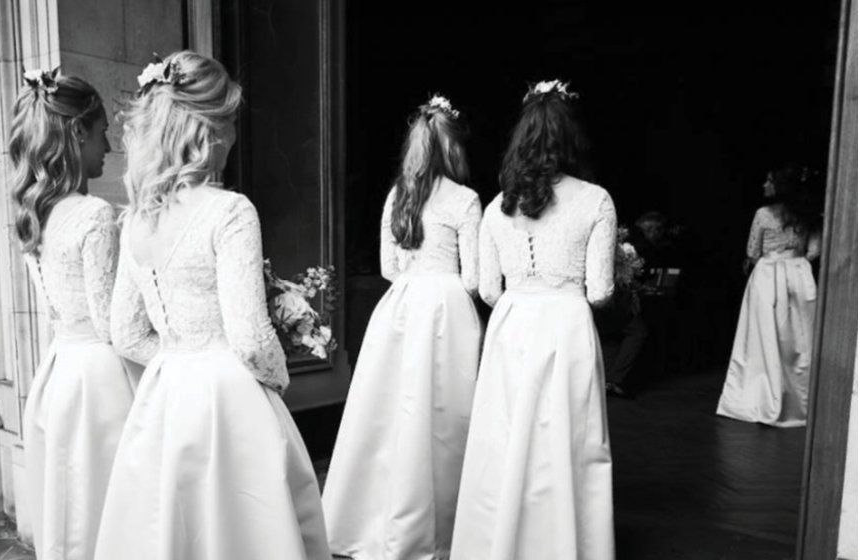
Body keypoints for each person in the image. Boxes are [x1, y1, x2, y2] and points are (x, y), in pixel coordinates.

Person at [93, 51, 330, 559]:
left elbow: (125, 332)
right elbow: (248, 335)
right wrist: (277, 380)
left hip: (165, 391)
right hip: (229, 397)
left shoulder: (134, 220)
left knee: (172, 527)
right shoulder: (229, 210)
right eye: (231, 122)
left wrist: (178, 360)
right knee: (243, 527)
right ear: (211, 129)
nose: (234, 136)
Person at [451, 80, 616, 560]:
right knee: (567, 440)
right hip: (566, 325)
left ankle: (499, 543)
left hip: (513, 322)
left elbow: (486, 288)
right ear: (571, 138)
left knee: (504, 440)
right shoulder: (596, 200)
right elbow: (601, 290)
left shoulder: (496, 206)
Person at [322, 94, 482, 560]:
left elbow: (389, 267)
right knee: (444, 416)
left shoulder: (398, 195)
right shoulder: (466, 200)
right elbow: (472, 279)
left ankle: (373, 519)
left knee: (390, 416)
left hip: (401, 306)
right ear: (453, 148)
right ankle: (443, 526)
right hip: (446, 308)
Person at [10, 68, 135, 559]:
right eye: (103, 132)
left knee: (73, 505)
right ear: (78, 131)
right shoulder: (93, 215)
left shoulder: (36, 214)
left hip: (59, 371)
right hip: (101, 379)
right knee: (111, 502)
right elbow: (112, 323)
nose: (109, 147)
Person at [716, 165, 822, 427]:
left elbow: (752, 250)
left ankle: (764, 397)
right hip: (799, 274)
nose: (764, 184)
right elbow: (814, 251)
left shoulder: (763, 214)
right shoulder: (809, 214)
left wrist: (770, 258)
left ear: (780, 185)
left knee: (763, 338)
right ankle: (801, 402)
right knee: (798, 338)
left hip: (768, 275)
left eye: (769, 180)